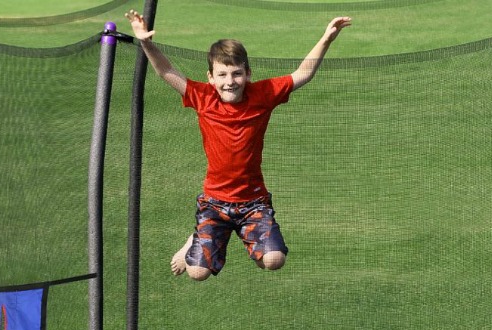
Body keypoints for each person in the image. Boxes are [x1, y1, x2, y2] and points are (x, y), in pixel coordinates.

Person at [125, 10, 353, 280]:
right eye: (222, 75)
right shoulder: (202, 97)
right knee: (197, 273)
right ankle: (197, 236)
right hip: (214, 203)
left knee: (274, 260)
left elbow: (303, 73)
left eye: (236, 74)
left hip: (253, 202)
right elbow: (166, 71)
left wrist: (326, 38)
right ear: (210, 77)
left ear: (248, 73)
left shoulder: (263, 94)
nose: (229, 81)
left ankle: (240, 238)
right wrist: (146, 42)